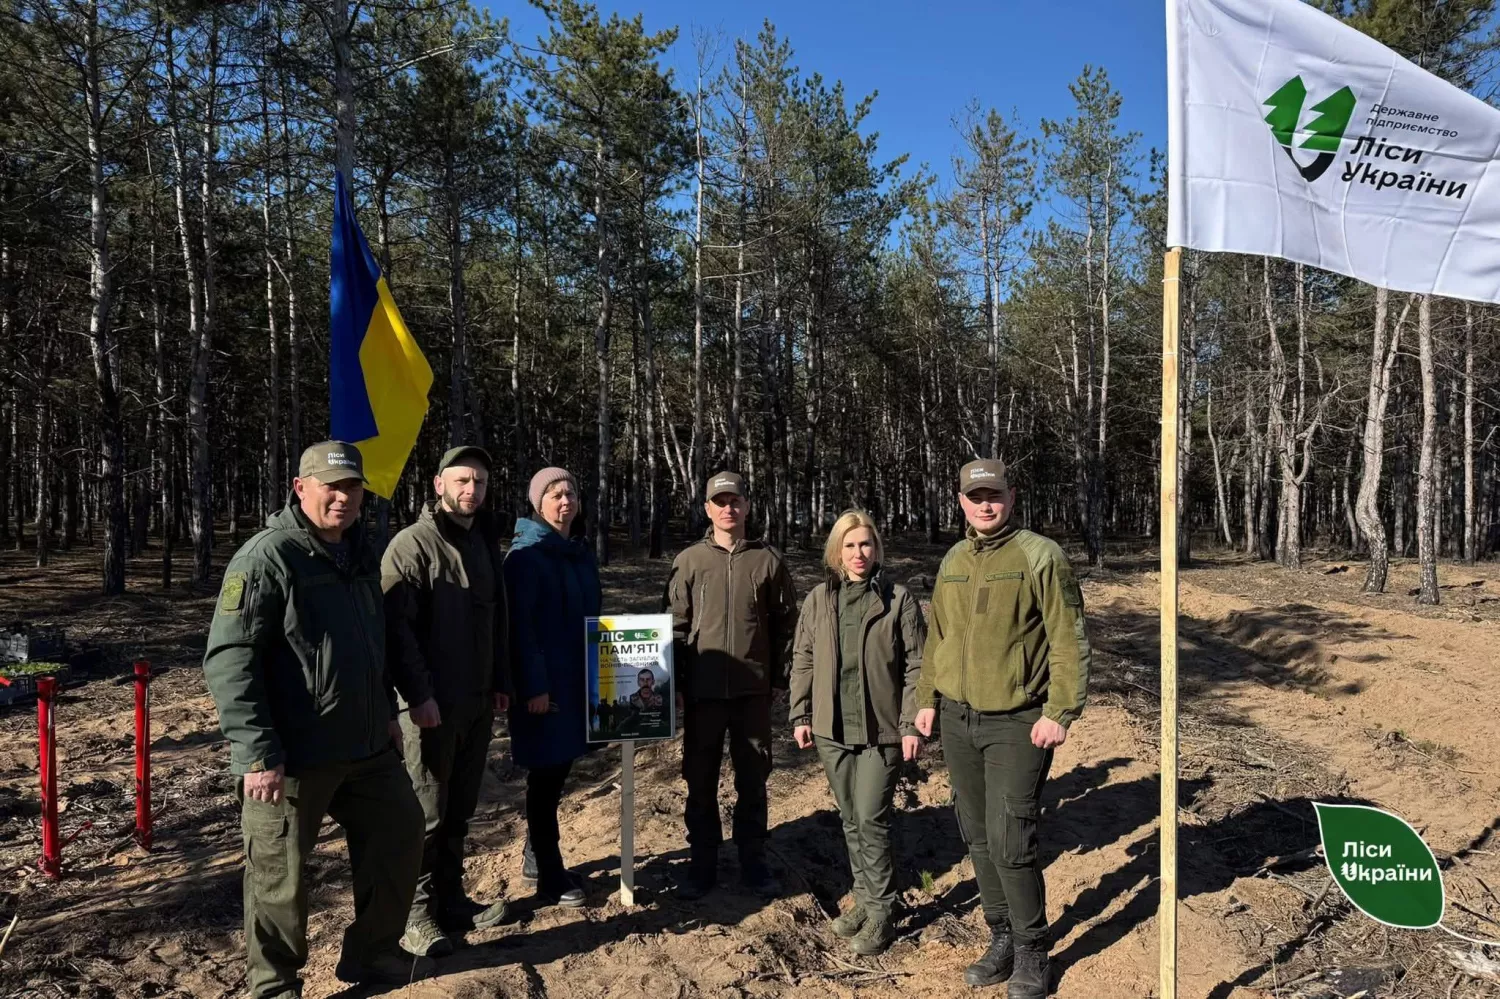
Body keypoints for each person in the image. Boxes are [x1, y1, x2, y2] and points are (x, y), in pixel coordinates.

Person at [203, 441, 429, 998]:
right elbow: (231, 660)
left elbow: (370, 644)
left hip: (366, 745)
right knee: (280, 878)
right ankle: (276, 986)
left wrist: (389, 711)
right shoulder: (267, 558)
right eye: (330, 486)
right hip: (294, 755)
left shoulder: (360, 553)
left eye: (352, 487)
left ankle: (374, 951)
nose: (343, 497)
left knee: (400, 831)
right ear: (301, 487)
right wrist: (257, 753)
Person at [913, 459, 1091, 999]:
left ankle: (1034, 950)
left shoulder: (1040, 555)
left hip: (1018, 720)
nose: (985, 505)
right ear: (961, 501)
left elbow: (1068, 639)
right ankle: (1002, 937)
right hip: (958, 718)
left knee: (1012, 837)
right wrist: (926, 699)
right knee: (978, 834)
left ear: (1012, 498)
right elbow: (937, 636)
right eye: (975, 496)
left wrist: (1058, 712)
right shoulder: (953, 559)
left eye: (994, 495)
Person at [382, 445, 513, 957]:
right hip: (430, 708)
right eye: (461, 481)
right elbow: (398, 633)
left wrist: (500, 679)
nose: (471, 490)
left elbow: (495, 619)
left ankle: (450, 899)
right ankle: (414, 915)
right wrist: (418, 696)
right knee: (426, 814)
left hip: (476, 702)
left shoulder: (482, 543)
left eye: (479, 482)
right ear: (438, 484)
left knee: (459, 809)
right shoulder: (411, 546)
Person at [789, 510, 926, 956]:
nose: (858, 553)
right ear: (837, 551)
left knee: (871, 817)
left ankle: (884, 908)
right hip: (832, 729)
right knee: (850, 818)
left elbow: (917, 666)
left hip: (880, 729)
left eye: (865, 544)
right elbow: (804, 658)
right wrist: (801, 714)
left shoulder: (897, 599)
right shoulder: (818, 600)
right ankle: (865, 899)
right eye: (849, 546)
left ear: (876, 548)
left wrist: (910, 724)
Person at [664, 471, 799, 900]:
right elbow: (675, 627)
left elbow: (785, 627)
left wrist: (777, 678)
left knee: (753, 778)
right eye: (719, 501)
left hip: (752, 692)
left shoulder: (768, 561)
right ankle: (702, 863)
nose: (728, 508)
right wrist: (678, 683)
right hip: (703, 694)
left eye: (734, 501)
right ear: (707, 508)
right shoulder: (689, 561)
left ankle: (753, 862)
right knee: (699, 779)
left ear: (746, 506)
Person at [505, 466, 601, 908]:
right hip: (545, 690)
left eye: (571, 494)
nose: (565, 502)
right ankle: (549, 874)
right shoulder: (525, 557)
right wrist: (535, 688)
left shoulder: (579, 553)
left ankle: (534, 854)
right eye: (555, 494)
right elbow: (520, 629)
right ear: (537, 503)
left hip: (576, 681)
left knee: (559, 772)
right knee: (545, 778)